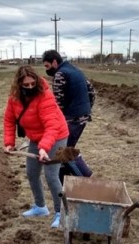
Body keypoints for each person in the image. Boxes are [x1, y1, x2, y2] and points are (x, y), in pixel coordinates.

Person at [3, 65, 69, 228]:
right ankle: (40, 207)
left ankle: (61, 213)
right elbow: (9, 120)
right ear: (19, 84)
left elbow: (52, 126)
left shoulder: (45, 96)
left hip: (57, 136)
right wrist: (9, 143)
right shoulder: (14, 98)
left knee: (51, 175)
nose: (30, 87)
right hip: (35, 137)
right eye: (26, 85)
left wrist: (44, 148)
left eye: (33, 84)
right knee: (32, 172)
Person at [42, 50, 95, 181]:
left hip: (72, 118)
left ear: (55, 62)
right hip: (82, 116)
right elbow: (91, 91)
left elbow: (58, 104)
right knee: (66, 148)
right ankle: (65, 176)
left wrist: (53, 123)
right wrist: (86, 110)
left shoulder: (60, 74)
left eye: (47, 66)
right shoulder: (76, 70)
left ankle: (84, 176)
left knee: (63, 150)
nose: (47, 70)